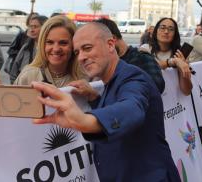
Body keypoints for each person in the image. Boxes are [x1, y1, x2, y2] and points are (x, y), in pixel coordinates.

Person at [32, 22, 180, 182]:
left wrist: (83, 120)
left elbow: (132, 109)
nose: (81, 57)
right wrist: (94, 98)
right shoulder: (110, 82)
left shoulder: (134, 78)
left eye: (87, 48)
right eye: (77, 52)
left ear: (110, 44)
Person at [94, 18, 165, 93]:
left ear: (112, 40)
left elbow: (157, 87)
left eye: (98, 45)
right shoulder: (103, 63)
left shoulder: (142, 58)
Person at [14, 15, 83, 87]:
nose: (56, 49)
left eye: (63, 43)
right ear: (42, 44)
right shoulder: (28, 75)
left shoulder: (84, 78)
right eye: (50, 42)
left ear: (73, 45)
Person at [140, 17, 192, 95]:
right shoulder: (145, 48)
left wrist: (184, 70)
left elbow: (186, 91)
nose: (166, 31)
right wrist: (173, 61)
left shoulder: (179, 54)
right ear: (156, 31)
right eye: (162, 27)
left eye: (171, 29)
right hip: (151, 98)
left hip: (174, 103)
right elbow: (153, 66)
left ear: (175, 34)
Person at [9, 15, 48, 83]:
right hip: (24, 87)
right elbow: (15, 68)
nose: (32, 30)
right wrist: (15, 85)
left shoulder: (50, 49)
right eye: (30, 26)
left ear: (45, 28)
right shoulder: (26, 47)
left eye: (35, 27)